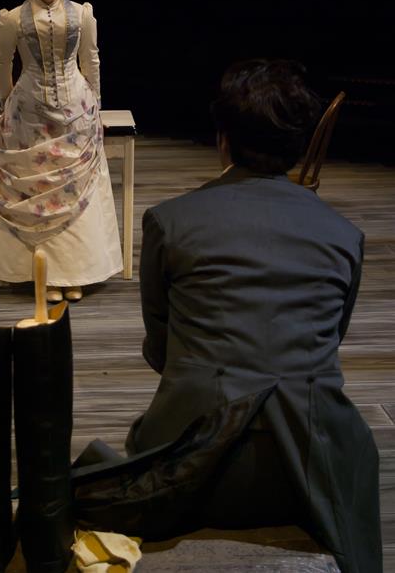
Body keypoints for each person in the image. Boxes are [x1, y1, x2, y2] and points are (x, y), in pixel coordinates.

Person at [72, 59, 382, 573]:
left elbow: (161, 348)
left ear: (224, 140)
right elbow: (329, 340)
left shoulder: (170, 222)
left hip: (190, 467)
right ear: (302, 145)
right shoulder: (344, 236)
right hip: (309, 472)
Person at [0, 0, 122, 302]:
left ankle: (73, 273)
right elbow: (1, 62)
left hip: (75, 113)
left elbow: (90, 61)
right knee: (35, 194)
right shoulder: (13, 18)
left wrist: (95, 106)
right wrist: (7, 104)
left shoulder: (82, 15)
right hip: (29, 117)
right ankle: (42, 275)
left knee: (75, 192)